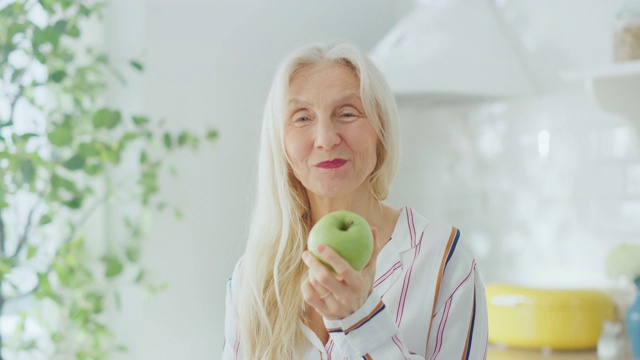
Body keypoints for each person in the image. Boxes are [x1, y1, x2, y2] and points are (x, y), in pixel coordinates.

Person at [222, 41, 488, 359]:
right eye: (302, 118)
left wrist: (362, 319)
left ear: (381, 131)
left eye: (347, 113)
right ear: (280, 143)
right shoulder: (252, 277)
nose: (326, 139)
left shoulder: (443, 260)